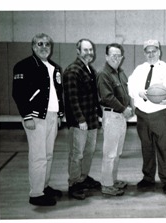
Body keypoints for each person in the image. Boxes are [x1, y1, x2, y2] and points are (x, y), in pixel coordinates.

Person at [12, 33, 64, 206]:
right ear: (33, 46)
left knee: (48, 155)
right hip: (35, 117)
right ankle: (35, 194)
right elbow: (18, 93)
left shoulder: (55, 67)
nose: (44, 47)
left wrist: (59, 114)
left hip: (52, 117)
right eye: (40, 44)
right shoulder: (24, 66)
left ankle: (44, 186)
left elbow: (57, 93)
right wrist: (27, 116)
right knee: (38, 156)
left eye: (47, 44)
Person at [128, 39, 166, 194]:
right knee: (147, 148)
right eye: (148, 51)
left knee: (164, 148)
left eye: (154, 51)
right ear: (144, 53)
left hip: (161, 114)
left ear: (159, 51)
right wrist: (138, 92)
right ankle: (148, 178)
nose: (151, 54)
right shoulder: (139, 69)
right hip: (142, 115)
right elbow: (130, 86)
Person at [63, 39, 102, 200]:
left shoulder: (89, 69)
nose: (89, 53)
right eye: (85, 50)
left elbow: (93, 95)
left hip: (92, 120)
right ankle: (74, 184)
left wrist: (99, 113)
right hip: (80, 122)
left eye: (91, 50)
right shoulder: (73, 70)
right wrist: (80, 119)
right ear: (78, 51)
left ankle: (83, 178)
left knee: (89, 152)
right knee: (77, 154)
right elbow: (71, 98)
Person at [97, 43, 133, 196]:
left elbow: (126, 92)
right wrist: (124, 109)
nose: (117, 58)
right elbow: (107, 97)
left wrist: (129, 106)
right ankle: (106, 185)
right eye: (113, 56)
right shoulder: (104, 74)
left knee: (117, 153)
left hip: (120, 117)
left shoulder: (119, 73)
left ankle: (112, 179)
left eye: (119, 56)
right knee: (110, 153)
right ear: (106, 57)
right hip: (112, 116)